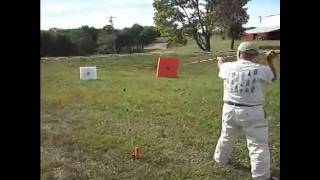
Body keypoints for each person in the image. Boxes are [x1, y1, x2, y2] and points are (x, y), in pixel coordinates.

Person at [213, 42, 278, 180]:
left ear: (238, 53)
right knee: (258, 145)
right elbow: (273, 77)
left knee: (226, 136)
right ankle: (261, 176)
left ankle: (220, 159)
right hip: (252, 112)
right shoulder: (261, 69)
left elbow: (221, 66)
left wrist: (220, 61)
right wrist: (269, 60)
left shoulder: (227, 67)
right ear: (255, 55)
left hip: (229, 109)